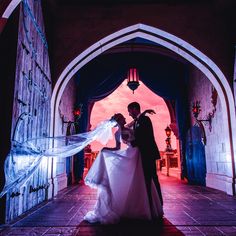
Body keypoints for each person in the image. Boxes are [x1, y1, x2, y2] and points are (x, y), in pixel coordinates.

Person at [84, 113, 163, 224]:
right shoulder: (120, 132)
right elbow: (119, 147)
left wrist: (143, 113)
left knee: (139, 181)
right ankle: (139, 209)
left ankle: (143, 207)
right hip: (134, 153)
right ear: (119, 121)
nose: (126, 118)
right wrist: (106, 149)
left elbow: (135, 122)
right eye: (123, 118)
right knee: (137, 180)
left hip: (137, 154)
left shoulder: (126, 128)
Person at [127, 102, 163, 210]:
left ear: (134, 109)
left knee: (151, 178)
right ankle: (149, 203)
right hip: (141, 155)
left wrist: (131, 143)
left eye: (129, 111)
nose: (129, 114)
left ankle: (157, 204)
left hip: (148, 154)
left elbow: (144, 137)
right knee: (146, 179)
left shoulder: (145, 120)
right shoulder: (138, 120)